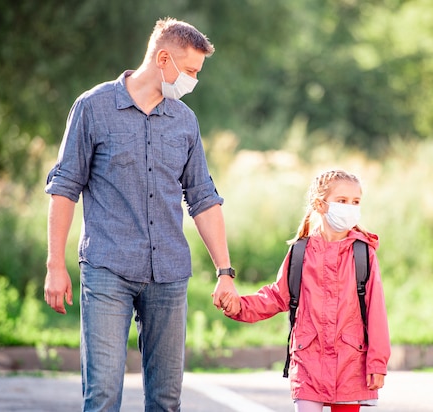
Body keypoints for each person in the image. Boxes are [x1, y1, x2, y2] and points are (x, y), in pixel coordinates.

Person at [43, 17, 240, 411]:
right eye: (189, 71)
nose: (192, 82)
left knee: (166, 401)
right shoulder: (93, 107)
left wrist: (225, 272)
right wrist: (55, 265)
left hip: (168, 274)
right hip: (107, 269)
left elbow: (202, 197)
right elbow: (64, 188)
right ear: (163, 58)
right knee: (101, 396)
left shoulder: (184, 121)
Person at [222, 169, 391, 412]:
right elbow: (277, 296)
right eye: (342, 201)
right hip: (308, 362)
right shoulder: (300, 253)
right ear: (319, 204)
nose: (350, 207)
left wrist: (377, 363)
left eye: (355, 202)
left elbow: (376, 311)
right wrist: (240, 306)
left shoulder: (363, 253)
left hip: (351, 364)